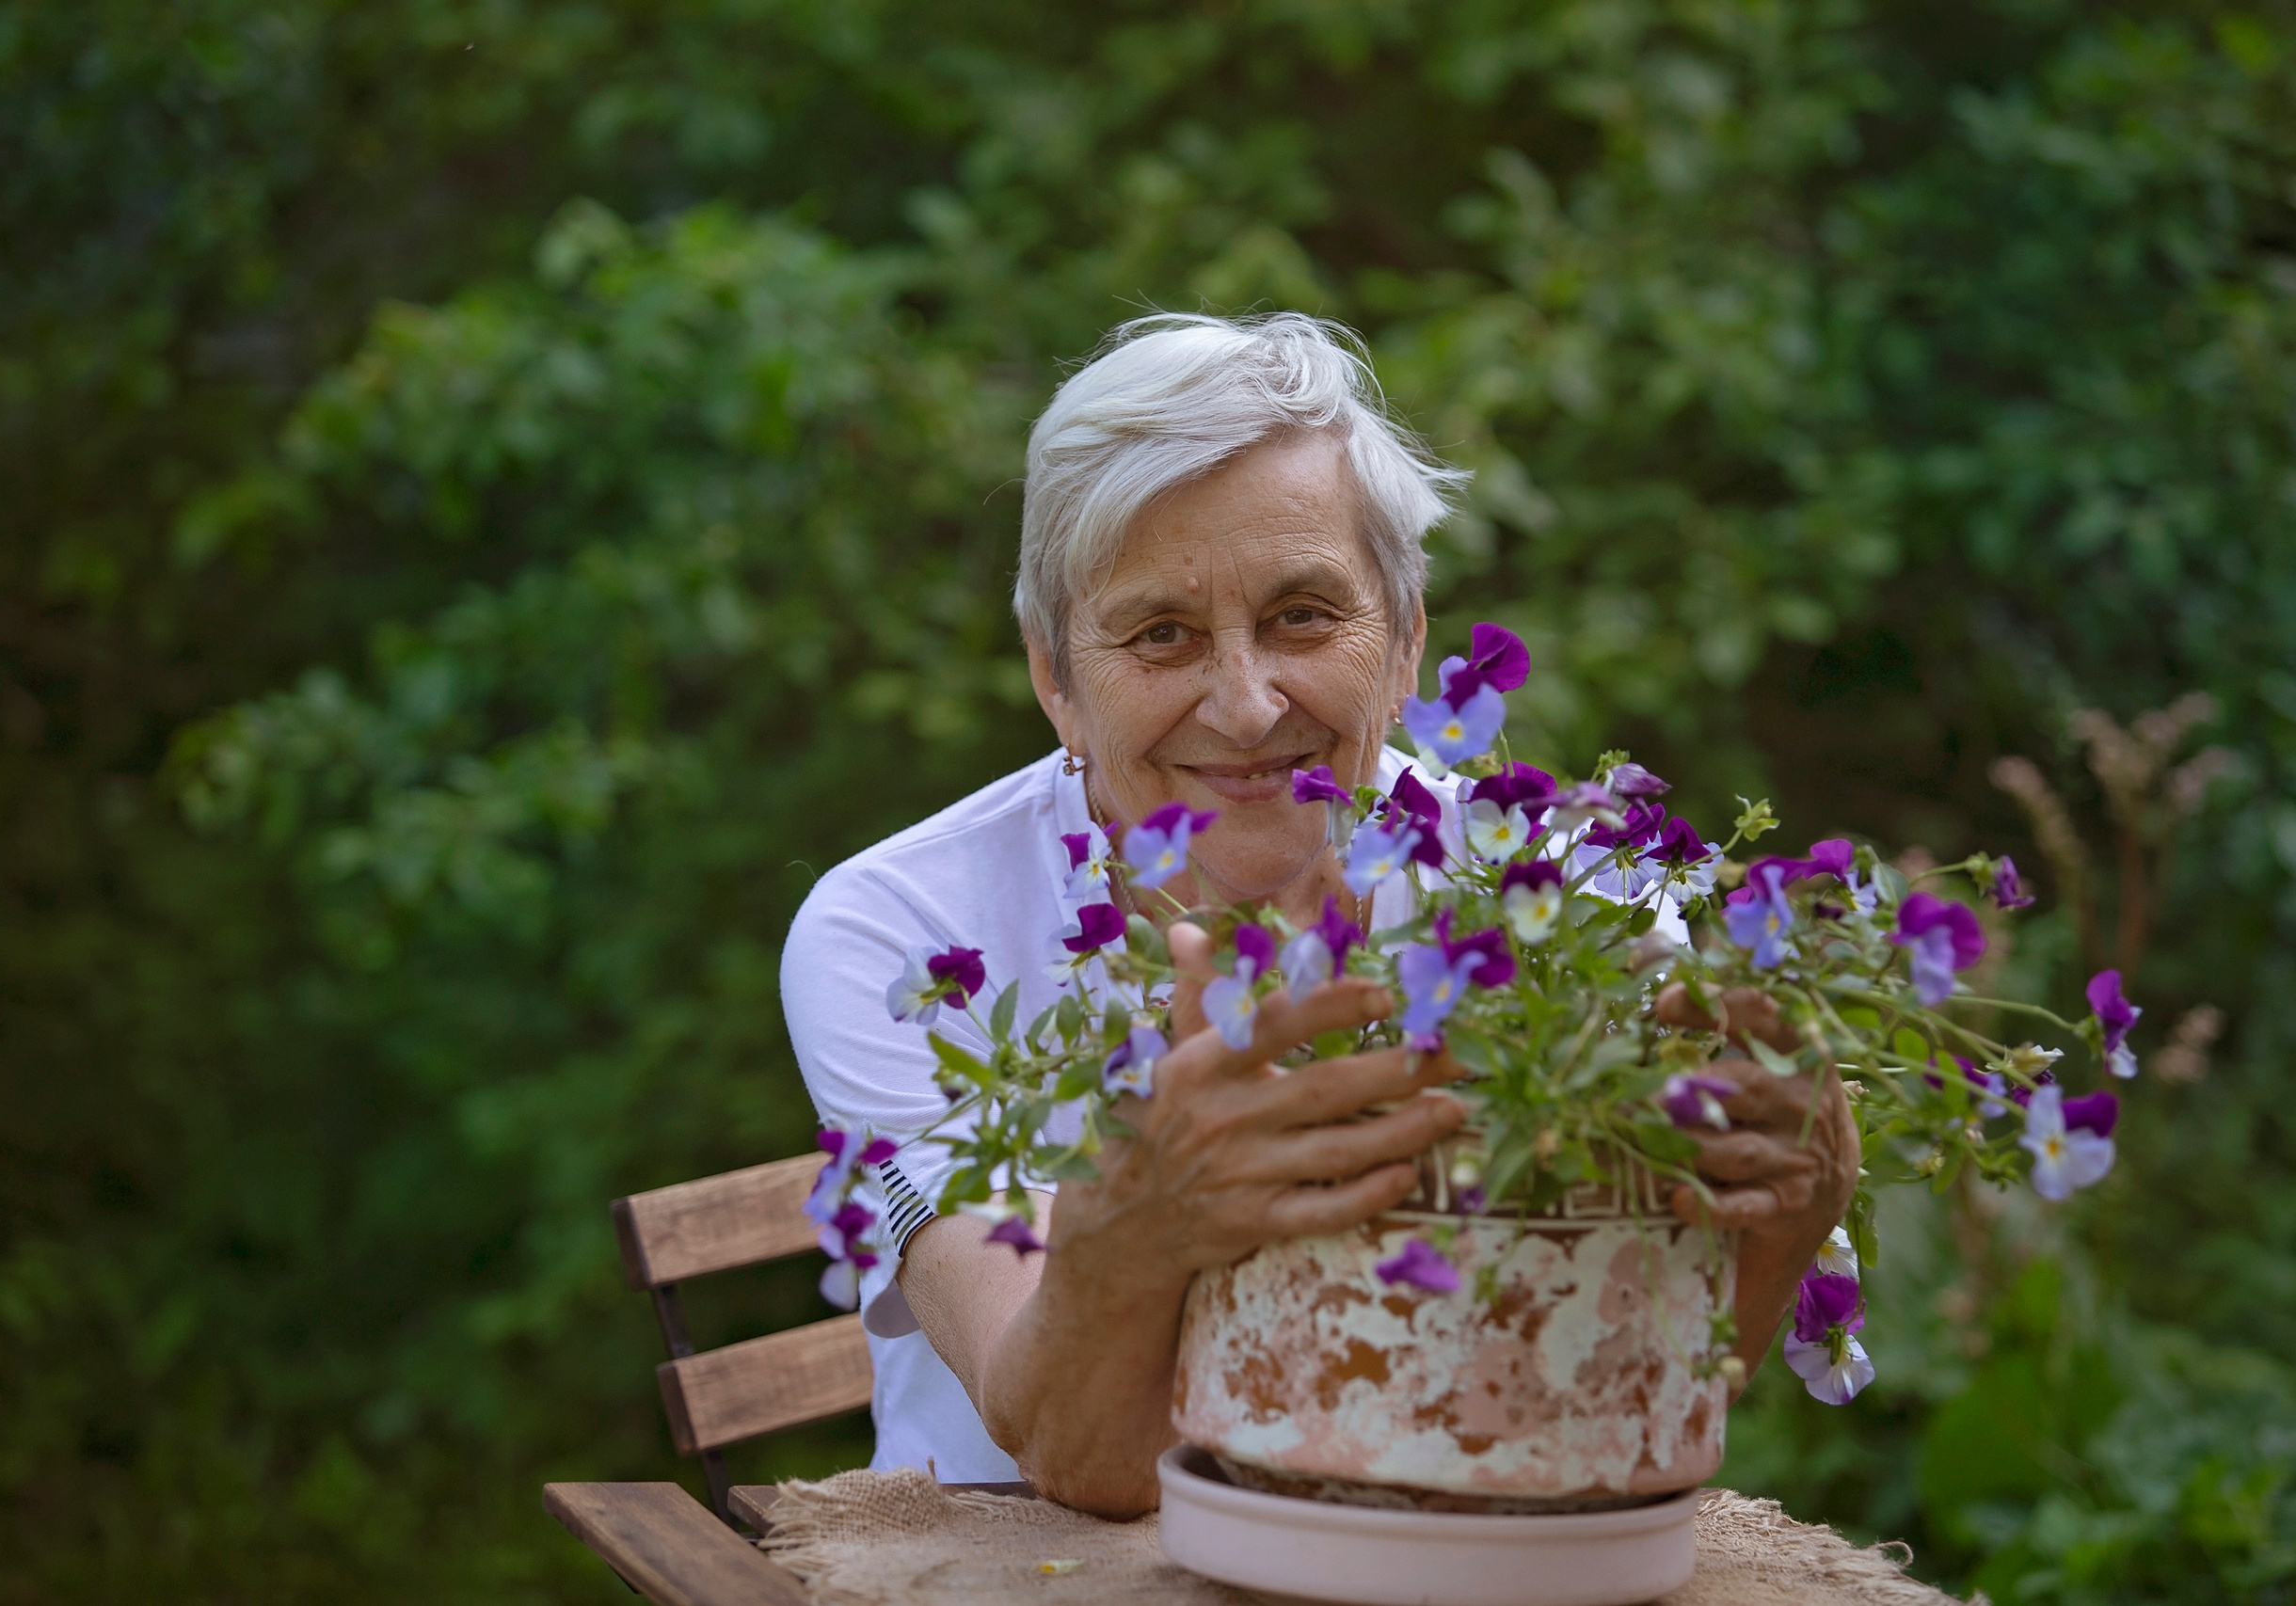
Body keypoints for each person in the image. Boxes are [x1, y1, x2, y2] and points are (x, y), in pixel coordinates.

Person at [780, 312, 1857, 1517]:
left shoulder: (1579, 905)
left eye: (1302, 616)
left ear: (1404, 646)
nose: (1244, 710)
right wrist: (1144, 1220)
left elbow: (1637, 1380)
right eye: (1161, 634)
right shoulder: (901, 932)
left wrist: (1781, 1223)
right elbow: (1079, 1457)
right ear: (1055, 678)